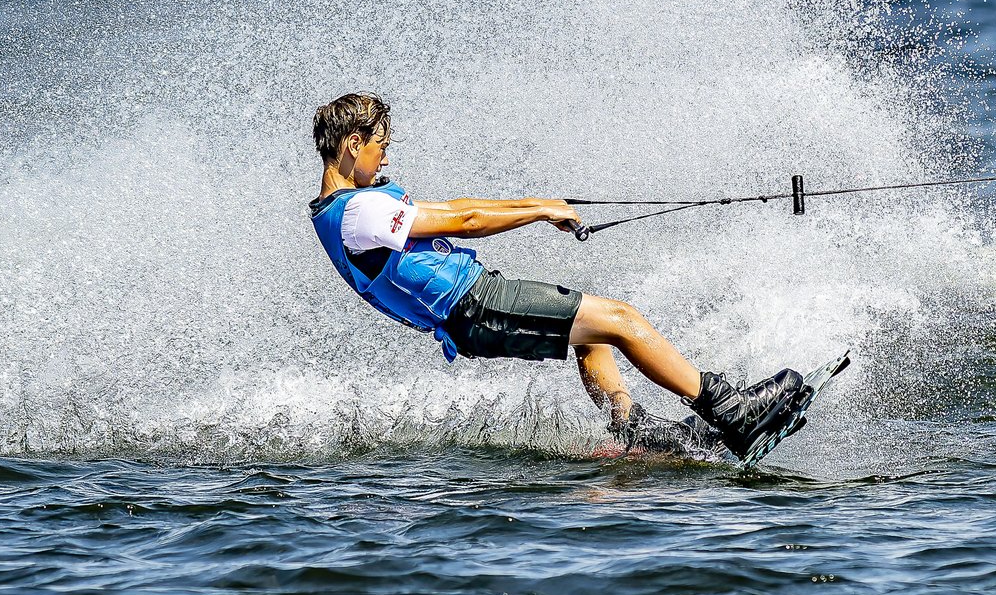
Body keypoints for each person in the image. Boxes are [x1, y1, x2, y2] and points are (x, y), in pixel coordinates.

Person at [307, 92, 804, 456]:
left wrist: (539, 201)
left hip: (473, 307)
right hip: (473, 305)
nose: (386, 157)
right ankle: (728, 409)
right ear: (353, 144)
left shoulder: (354, 207)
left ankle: (636, 431)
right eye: (381, 146)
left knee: (593, 337)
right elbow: (468, 223)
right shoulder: (358, 213)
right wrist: (542, 214)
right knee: (621, 319)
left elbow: (457, 207)